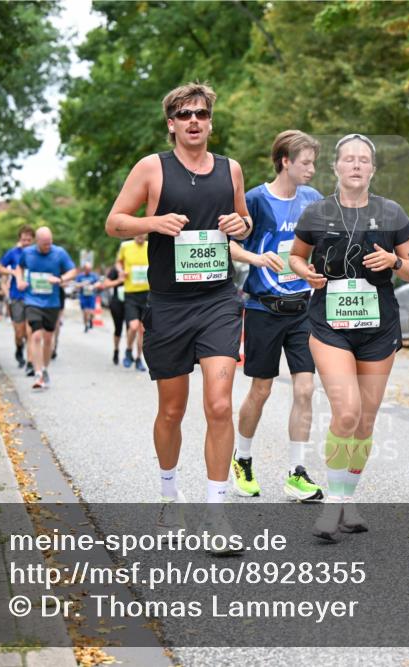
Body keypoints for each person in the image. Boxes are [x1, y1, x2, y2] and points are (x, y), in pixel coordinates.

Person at [105, 82, 251, 547]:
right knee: (172, 409)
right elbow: (114, 223)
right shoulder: (153, 168)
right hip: (168, 302)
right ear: (171, 123)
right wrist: (152, 224)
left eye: (202, 114)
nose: (194, 121)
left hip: (218, 301)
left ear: (210, 121)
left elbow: (245, 222)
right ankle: (169, 493)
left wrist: (239, 224)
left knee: (220, 403)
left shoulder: (231, 170)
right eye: (185, 114)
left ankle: (216, 514)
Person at [289, 133, 409, 541]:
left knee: (364, 420)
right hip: (330, 325)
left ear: (373, 169)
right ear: (337, 168)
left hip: (378, 327)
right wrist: (303, 271)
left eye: (364, 160)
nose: (356, 166)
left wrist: (395, 260)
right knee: (345, 412)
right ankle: (332, 504)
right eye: (349, 159)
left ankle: (347, 496)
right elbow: (296, 254)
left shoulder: (392, 212)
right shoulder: (315, 212)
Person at [229, 130, 324, 501]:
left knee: (305, 388)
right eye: (306, 162)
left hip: (303, 309)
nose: (312, 169)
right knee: (261, 389)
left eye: (314, 162)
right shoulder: (255, 199)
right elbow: (229, 243)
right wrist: (257, 258)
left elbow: (323, 242)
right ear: (285, 161)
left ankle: (296, 472)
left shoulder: (313, 199)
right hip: (263, 308)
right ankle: (244, 458)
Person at [13, 226, 76, 390]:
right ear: (37, 242)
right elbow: (19, 267)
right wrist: (19, 281)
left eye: (50, 243)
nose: (48, 246)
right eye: (45, 244)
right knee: (36, 336)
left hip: (52, 303)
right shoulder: (27, 253)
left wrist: (60, 279)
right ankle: (38, 373)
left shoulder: (59, 253)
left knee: (48, 339)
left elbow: (73, 271)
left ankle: (45, 368)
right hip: (32, 300)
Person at [0, 225, 36, 371]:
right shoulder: (13, 253)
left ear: (33, 239)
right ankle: (19, 348)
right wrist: (12, 272)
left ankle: (30, 363)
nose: (26, 242)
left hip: (33, 297)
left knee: (30, 331)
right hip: (17, 296)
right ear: (19, 239)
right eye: (23, 239)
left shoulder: (36, 253)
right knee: (19, 332)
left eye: (29, 239)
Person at [116, 234, 150, 371]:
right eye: (138, 234)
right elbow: (118, 262)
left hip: (147, 293)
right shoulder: (126, 246)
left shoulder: (150, 246)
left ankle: (138, 359)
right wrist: (121, 271)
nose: (141, 236)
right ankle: (129, 350)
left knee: (142, 330)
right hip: (131, 293)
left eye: (143, 234)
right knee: (134, 326)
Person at [100, 264, 126, 364]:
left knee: (132, 328)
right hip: (117, 302)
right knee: (118, 329)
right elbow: (105, 284)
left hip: (133, 301)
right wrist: (119, 281)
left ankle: (130, 352)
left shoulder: (136, 265)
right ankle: (116, 350)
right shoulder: (116, 269)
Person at [76, 262, 101, 332]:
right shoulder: (80, 276)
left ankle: (90, 319)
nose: (88, 270)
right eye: (87, 269)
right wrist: (82, 284)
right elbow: (76, 285)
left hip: (91, 296)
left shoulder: (93, 276)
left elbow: (98, 283)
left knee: (92, 312)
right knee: (85, 312)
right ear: (84, 269)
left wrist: (93, 286)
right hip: (83, 296)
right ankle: (86, 325)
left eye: (90, 269)